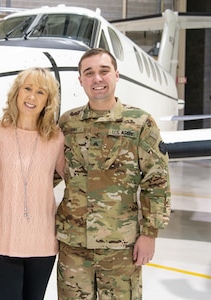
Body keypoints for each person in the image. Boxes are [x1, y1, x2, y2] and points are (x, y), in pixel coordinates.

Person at [56, 48, 171, 299]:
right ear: (81, 80)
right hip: (74, 246)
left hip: (121, 247)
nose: (97, 78)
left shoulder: (140, 123)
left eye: (104, 71)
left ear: (116, 75)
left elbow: (157, 181)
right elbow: (46, 173)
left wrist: (150, 234)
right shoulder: (67, 123)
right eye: (89, 73)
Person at [0, 67, 65, 300]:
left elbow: (77, 180)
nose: (32, 97)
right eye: (27, 89)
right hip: (3, 240)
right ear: (17, 93)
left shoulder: (56, 138)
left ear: (48, 101)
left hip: (42, 242)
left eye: (41, 92)